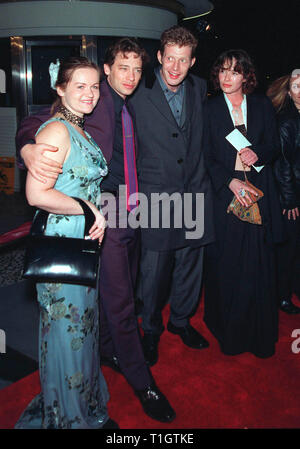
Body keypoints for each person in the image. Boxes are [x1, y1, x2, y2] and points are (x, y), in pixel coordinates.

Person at [15, 38, 175, 423]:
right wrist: (27, 150)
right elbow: (36, 122)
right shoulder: (91, 99)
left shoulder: (132, 100)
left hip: (129, 214)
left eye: (137, 69)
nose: (131, 76)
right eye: (123, 67)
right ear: (107, 69)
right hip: (94, 220)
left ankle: (107, 354)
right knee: (119, 306)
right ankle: (144, 383)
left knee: (112, 302)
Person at [15, 56, 114, 429]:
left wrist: (91, 213)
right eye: (80, 86)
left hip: (82, 242)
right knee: (67, 334)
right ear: (61, 89)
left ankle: (83, 406)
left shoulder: (80, 128)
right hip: (62, 242)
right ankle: (69, 420)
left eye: (94, 86)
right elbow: (36, 195)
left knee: (82, 329)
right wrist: (89, 208)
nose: (90, 94)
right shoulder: (57, 131)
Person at [130, 26, 214, 366]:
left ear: (192, 61)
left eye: (183, 60)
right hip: (155, 194)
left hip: (195, 189)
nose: (176, 68)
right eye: (170, 59)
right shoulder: (137, 89)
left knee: (190, 265)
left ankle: (181, 321)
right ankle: (150, 330)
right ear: (160, 57)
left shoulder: (199, 87)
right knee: (153, 270)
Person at [203, 49, 284, 359]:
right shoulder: (209, 108)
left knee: (259, 263)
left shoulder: (262, 105)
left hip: (259, 190)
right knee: (227, 263)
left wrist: (257, 154)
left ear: (246, 76)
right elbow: (204, 155)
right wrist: (230, 180)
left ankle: (259, 333)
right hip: (226, 192)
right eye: (223, 70)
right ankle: (229, 332)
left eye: (234, 72)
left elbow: (274, 146)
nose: (227, 77)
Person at [267, 70, 300, 314]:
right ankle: (282, 296)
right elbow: (282, 163)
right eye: (297, 87)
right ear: (289, 93)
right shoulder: (287, 120)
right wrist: (289, 199)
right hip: (291, 197)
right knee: (288, 249)